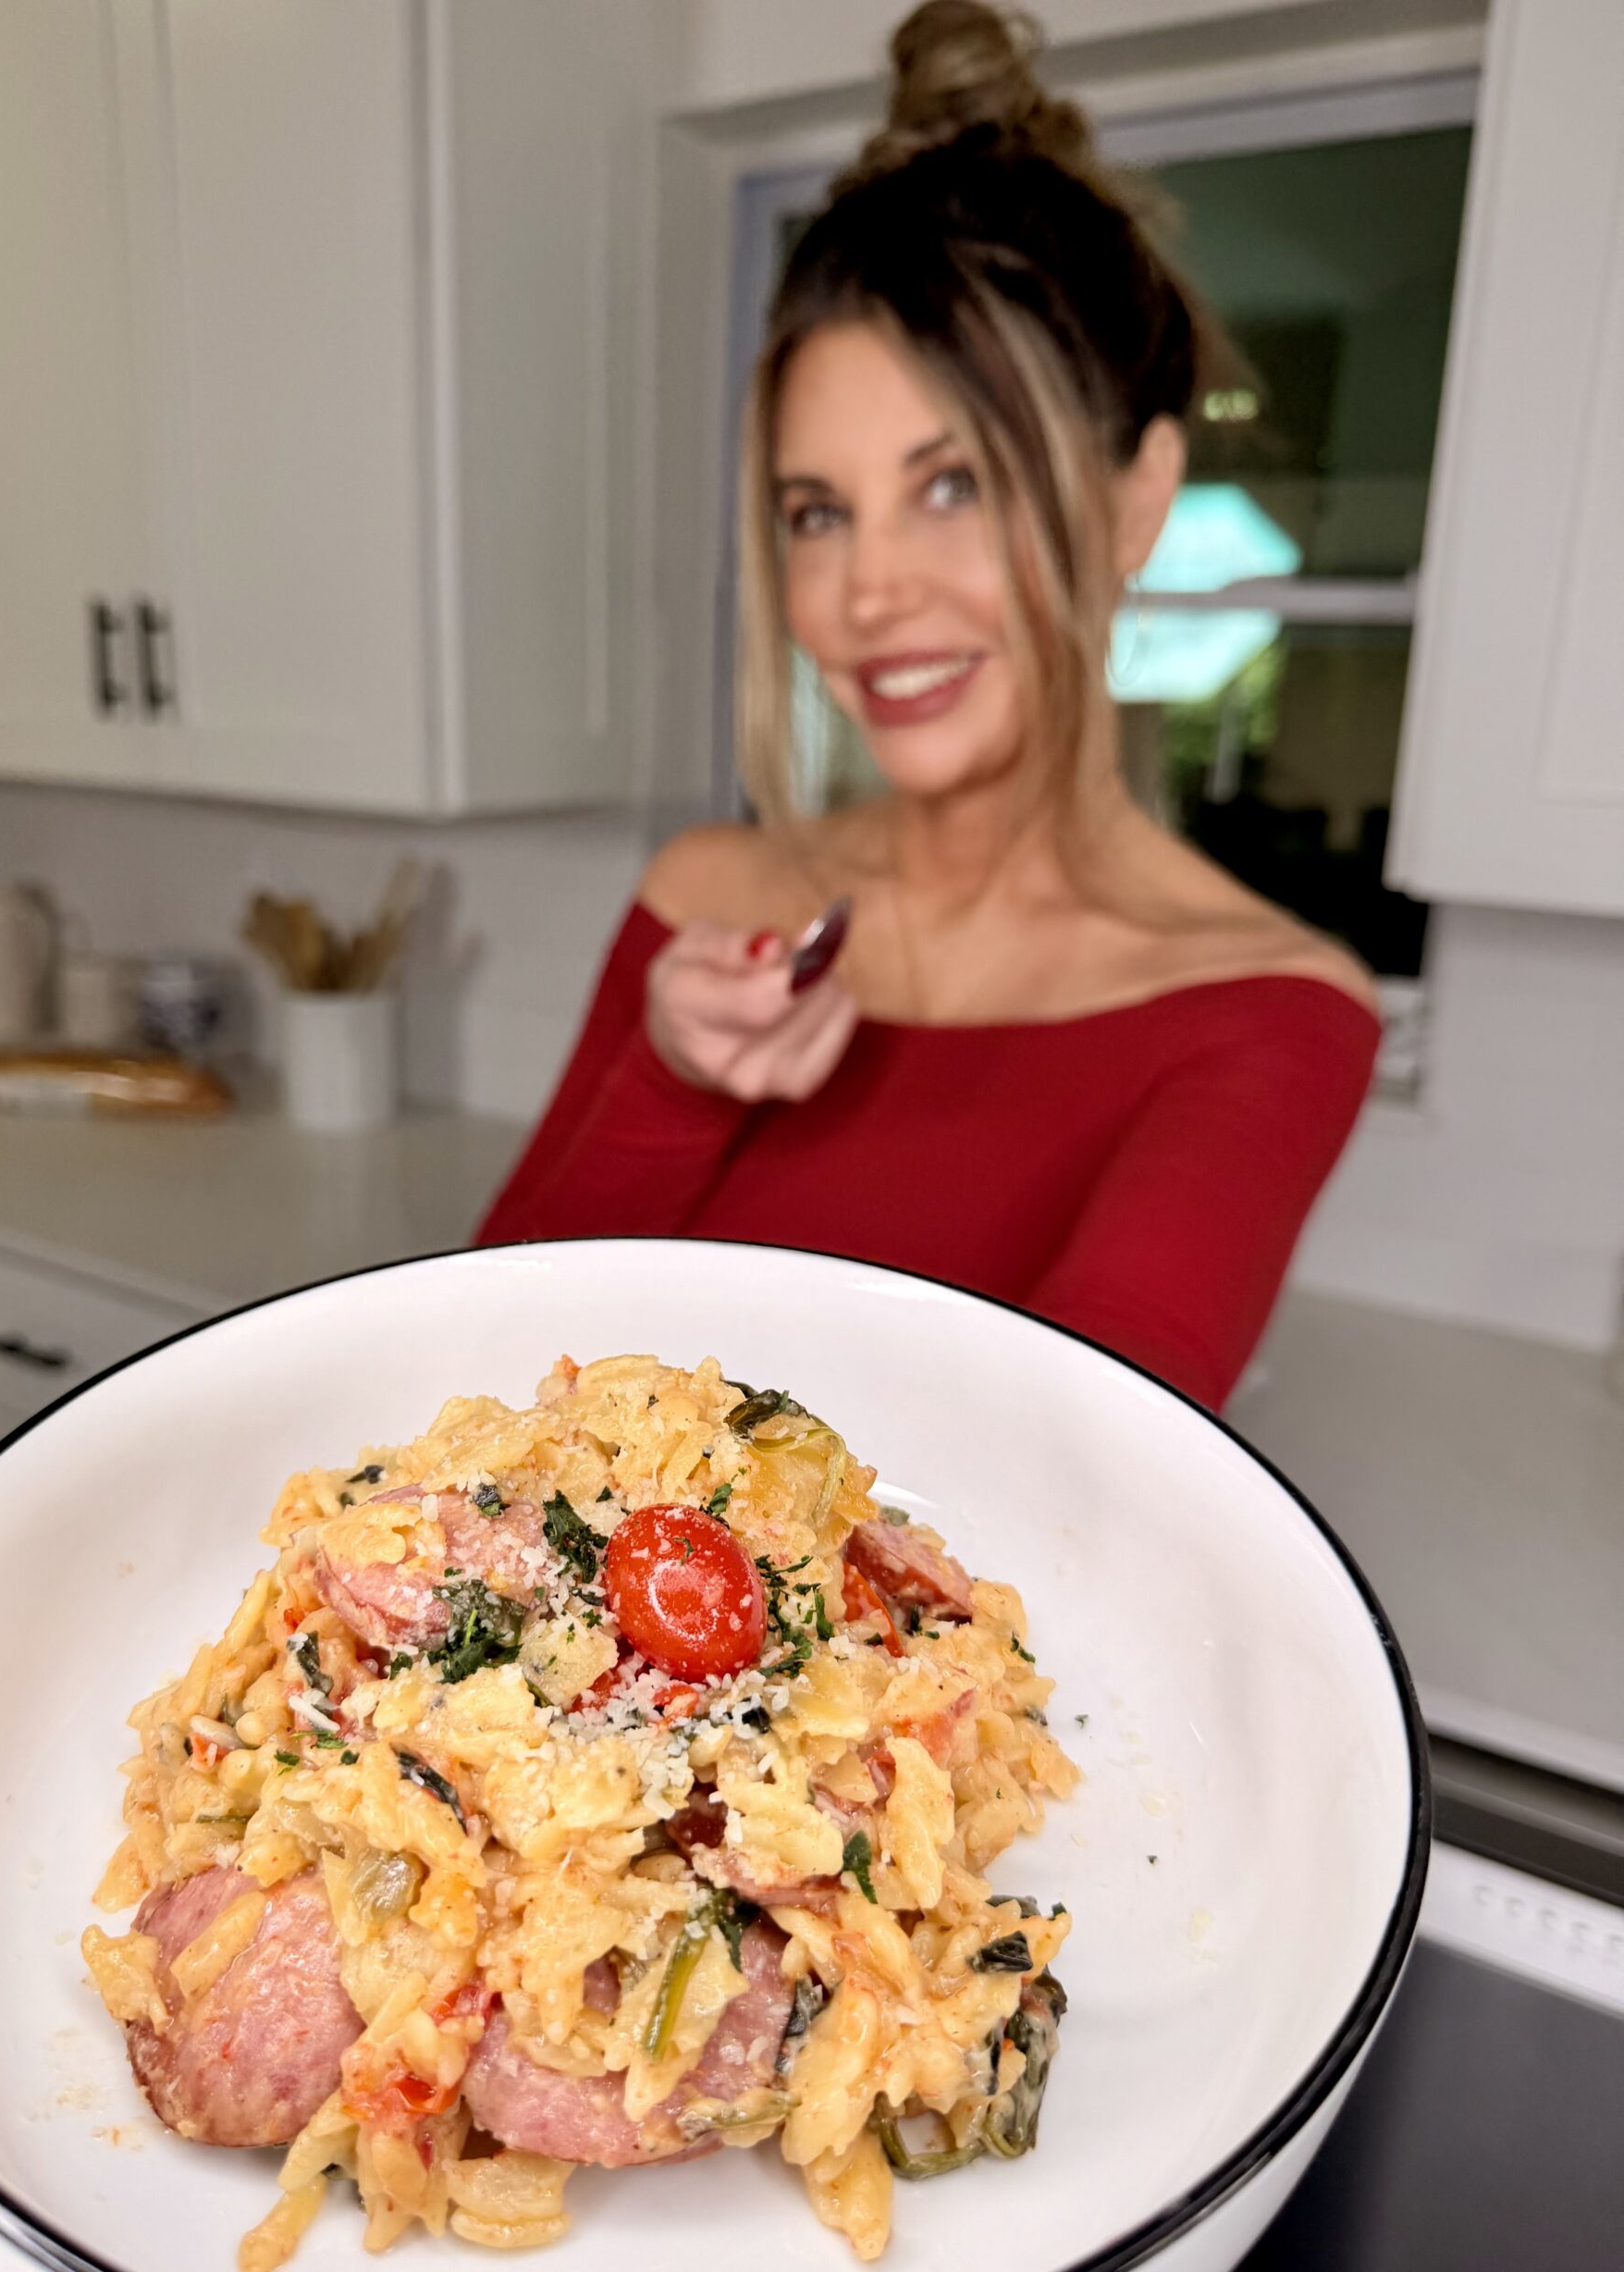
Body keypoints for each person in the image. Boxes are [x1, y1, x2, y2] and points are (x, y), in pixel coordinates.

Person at [476, 0, 1379, 1414]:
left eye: (950, 486)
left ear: (1138, 496)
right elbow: (477, 1374)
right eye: (817, 511)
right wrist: (671, 1080)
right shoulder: (708, 901)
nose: (864, 592)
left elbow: (1081, 1503)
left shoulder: (1265, 1020)